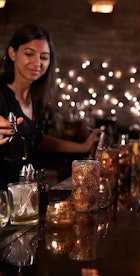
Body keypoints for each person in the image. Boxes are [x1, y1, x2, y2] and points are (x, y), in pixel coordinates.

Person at [0, 24, 100, 190]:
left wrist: (82, 148)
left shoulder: (35, 99)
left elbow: (36, 139)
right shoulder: (2, 94)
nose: (37, 62)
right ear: (12, 53)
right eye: (29, 54)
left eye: (44, 57)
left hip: (25, 193)